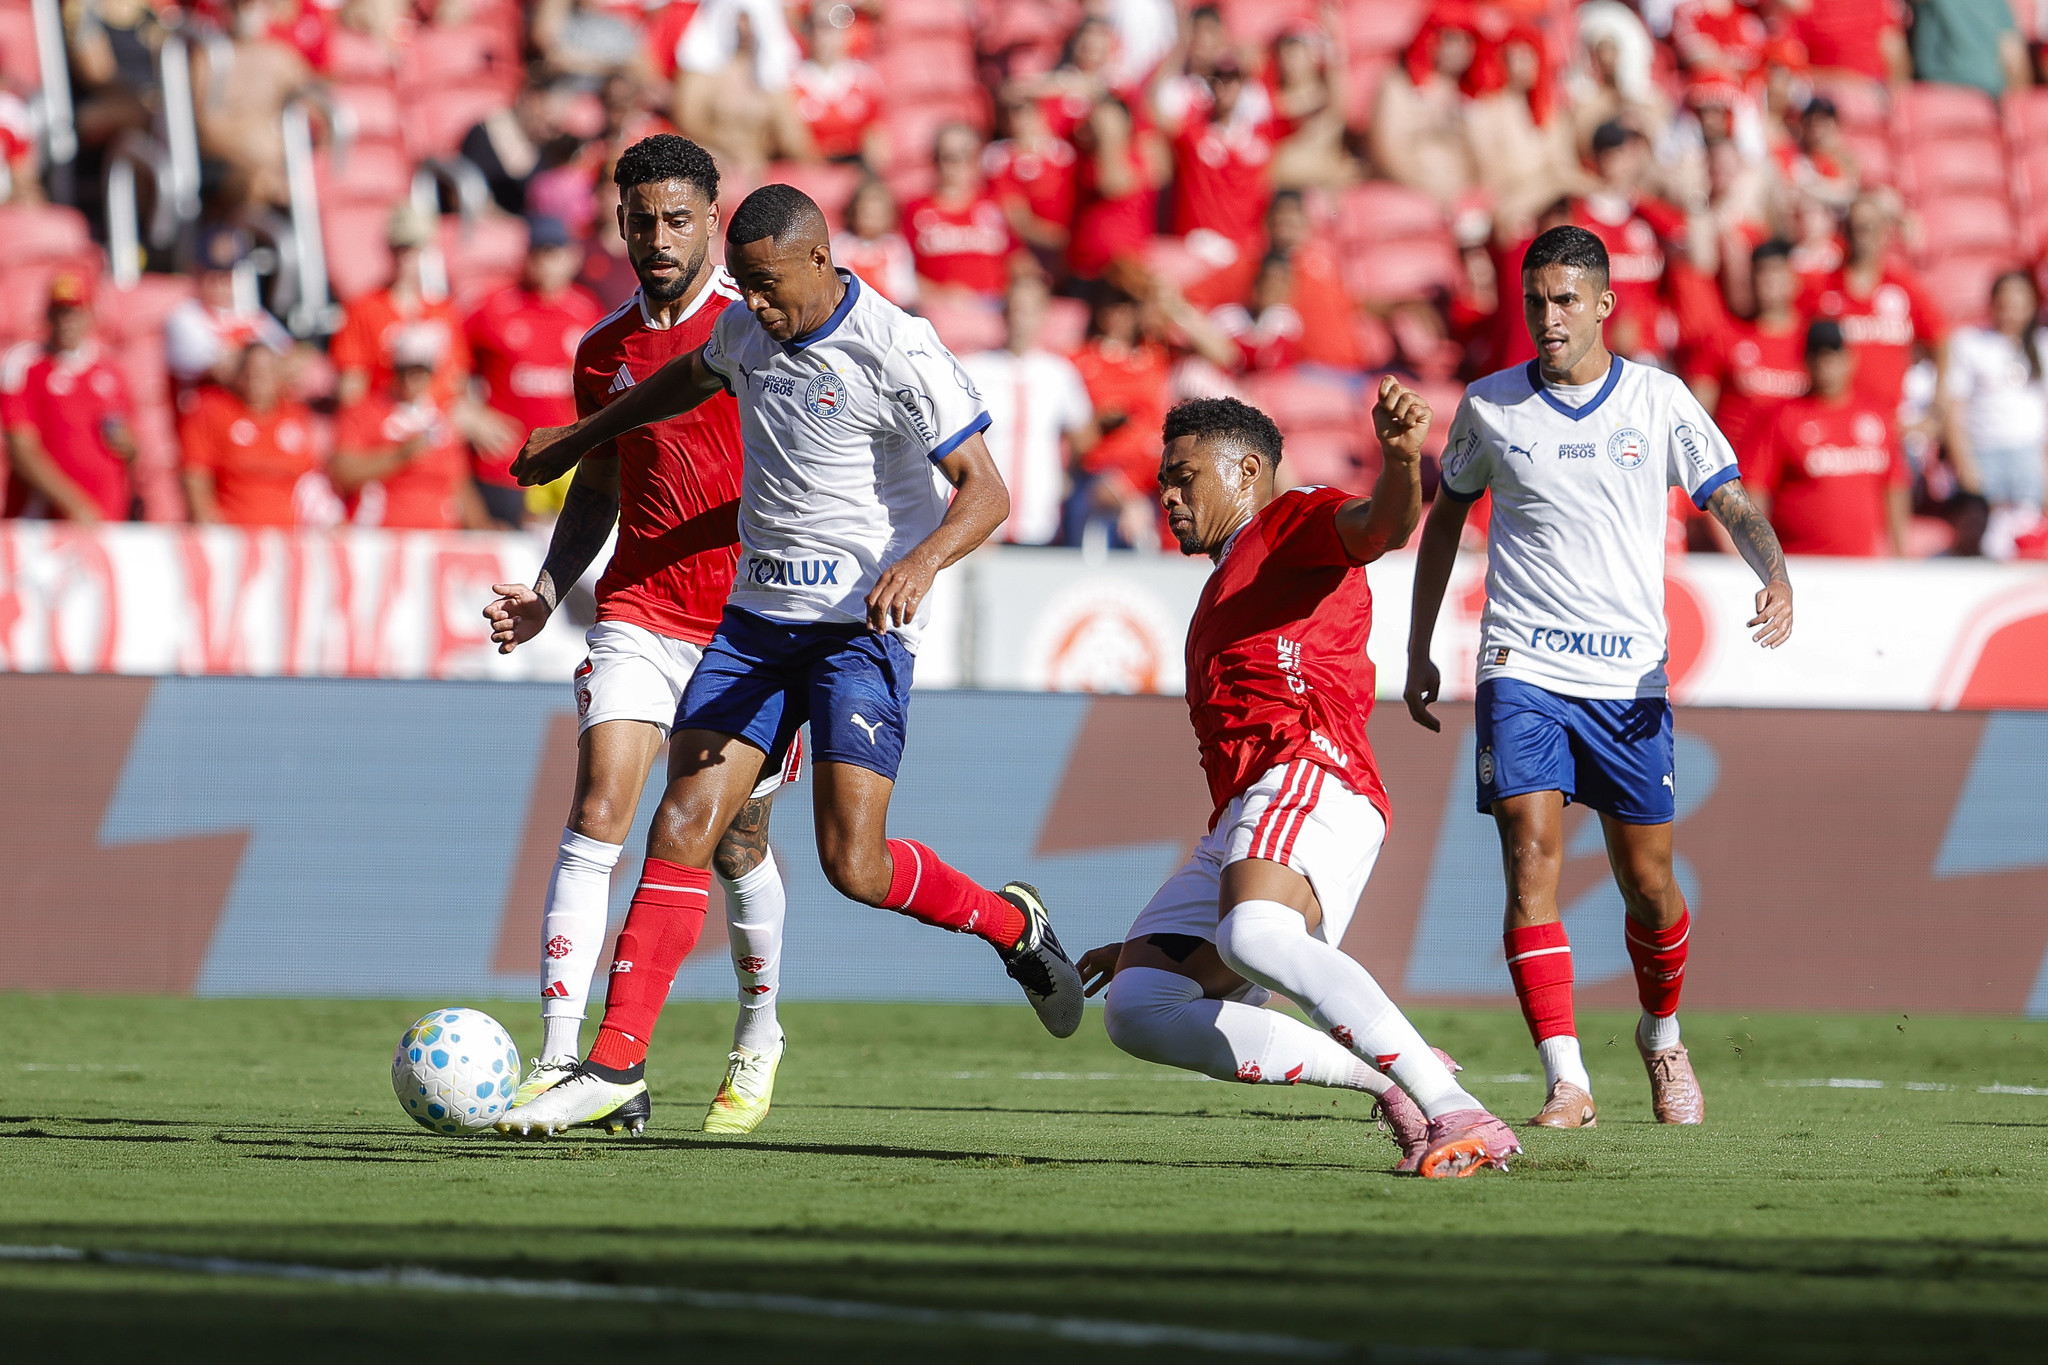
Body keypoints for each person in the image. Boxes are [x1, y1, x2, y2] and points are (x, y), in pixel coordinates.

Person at [495, 182, 1085, 1136]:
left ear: (820, 259)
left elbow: (986, 492)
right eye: (747, 290)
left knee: (853, 861)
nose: (755, 308)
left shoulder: (899, 349)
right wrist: (584, 436)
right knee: (683, 820)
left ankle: (1012, 926)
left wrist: (921, 563)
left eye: (769, 288)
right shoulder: (744, 332)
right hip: (755, 626)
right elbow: (689, 376)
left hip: (858, 629)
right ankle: (611, 1064)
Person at [1074, 392, 1524, 1179]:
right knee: (1140, 1007)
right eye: (1163, 481)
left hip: (1311, 771)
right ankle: (1395, 1080)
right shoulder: (1226, 578)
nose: (1167, 497)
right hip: (1247, 809)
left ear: (1247, 470)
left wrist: (1396, 458)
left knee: (1254, 936)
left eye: (1182, 478)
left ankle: (1460, 1113)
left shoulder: (1290, 521)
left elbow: (1382, 525)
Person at [1405, 225, 1795, 1129]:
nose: (1549, 317)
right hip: (1521, 664)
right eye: (1537, 300)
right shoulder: (1489, 407)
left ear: (1605, 304)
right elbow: (1446, 523)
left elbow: (1730, 499)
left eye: (1567, 300)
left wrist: (1773, 574)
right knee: (1529, 855)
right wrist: (1423, 644)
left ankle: (1661, 1036)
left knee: (1647, 882)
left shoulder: (1658, 403)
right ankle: (1567, 1080)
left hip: (1628, 681)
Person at [482, 136, 799, 1137]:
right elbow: (604, 489)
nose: (657, 238)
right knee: (600, 805)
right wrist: (543, 589)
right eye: (639, 219)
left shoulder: (760, 333)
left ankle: (757, 1035)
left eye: (677, 219)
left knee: (736, 836)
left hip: (748, 627)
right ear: (616, 223)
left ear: (712, 221)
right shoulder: (602, 351)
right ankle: (560, 1059)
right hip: (641, 610)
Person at [464, 215, 604, 528]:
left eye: (553, 251)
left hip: (563, 471)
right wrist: (465, 412)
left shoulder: (587, 313)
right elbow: (448, 362)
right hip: (503, 465)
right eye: (538, 251)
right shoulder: (494, 308)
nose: (545, 260)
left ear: (572, 257)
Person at [1752, 319, 1910, 556]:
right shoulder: (1784, 418)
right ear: (1806, 361)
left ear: (1850, 358)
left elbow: (1894, 486)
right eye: (1819, 356)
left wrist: (1901, 554)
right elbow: (1756, 490)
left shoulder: (1875, 415)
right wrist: (1762, 556)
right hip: (1800, 563)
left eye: (1834, 355)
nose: (1827, 364)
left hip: (1862, 567)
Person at [962, 275, 1098, 545]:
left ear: (1043, 315)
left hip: (1040, 519)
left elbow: (1084, 435)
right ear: (1003, 313)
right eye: (1014, 308)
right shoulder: (972, 368)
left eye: (1029, 310)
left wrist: (1066, 475)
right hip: (982, 523)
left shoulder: (1059, 373)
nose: (1021, 319)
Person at [0, 273, 136, 522]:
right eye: (60, 313)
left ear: (89, 316)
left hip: (104, 518)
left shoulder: (110, 371)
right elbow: (21, 450)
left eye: (74, 313)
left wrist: (129, 445)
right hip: (44, 523)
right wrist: (73, 504)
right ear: (48, 316)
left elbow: (131, 446)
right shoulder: (25, 365)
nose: (67, 322)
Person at [330, 327, 492, 530]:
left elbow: (459, 484)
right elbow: (342, 473)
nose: (411, 380)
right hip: (379, 536)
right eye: (404, 371)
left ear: (431, 373)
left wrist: (483, 528)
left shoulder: (444, 417)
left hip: (436, 538)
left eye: (419, 372)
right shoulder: (364, 412)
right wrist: (399, 455)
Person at [1802, 193, 1948, 416]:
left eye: (1867, 228)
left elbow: (1940, 338)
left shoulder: (1904, 287)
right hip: (1832, 420)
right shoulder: (1821, 287)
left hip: (1891, 423)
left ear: (1884, 234)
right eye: (1853, 228)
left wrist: (1937, 400)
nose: (1860, 237)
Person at [1944, 270, 2048, 555]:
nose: (2012, 311)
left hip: (2028, 457)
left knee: (2028, 536)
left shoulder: (2041, 346)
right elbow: (1954, 409)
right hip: (1984, 454)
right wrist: (1965, 464)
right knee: (1988, 541)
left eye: (2019, 303)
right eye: (2005, 303)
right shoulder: (1970, 343)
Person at [1684, 239, 1810, 474]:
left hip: (1791, 483)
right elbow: (1695, 422)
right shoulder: (1723, 338)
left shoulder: (1811, 344)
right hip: (1735, 479)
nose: (1768, 281)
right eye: (1762, 273)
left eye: (1777, 272)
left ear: (1795, 279)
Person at [180, 341, 327, 526]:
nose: (256, 379)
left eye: (265, 372)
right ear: (239, 374)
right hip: (233, 535)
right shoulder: (212, 411)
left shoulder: (296, 416)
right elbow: (196, 472)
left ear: (278, 377)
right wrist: (207, 523)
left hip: (287, 537)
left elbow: (309, 481)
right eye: (251, 371)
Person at [164, 223, 294, 411]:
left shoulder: (250, 312)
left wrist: (258, 365)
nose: (221, 281)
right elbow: (221, 369)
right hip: (209, 418)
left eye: (228, 273)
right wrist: (265, 366)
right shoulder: (183, 316)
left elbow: (295, 358)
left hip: (253, 418)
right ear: (197, 272)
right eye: (213, 273)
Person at [901, 123, 1022, 304]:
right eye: (950, 157)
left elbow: (1018, 261)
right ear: (935, 160)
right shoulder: (915, 210)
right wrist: (941, 295)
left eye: (966, 156)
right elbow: (899, 270)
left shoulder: (995, 205)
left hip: (997, 306)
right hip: (939, 309)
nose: (959, 165)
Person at [831, 177, 917, 308]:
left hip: (890, 308)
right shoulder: (841, 245)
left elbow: (903, 289)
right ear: (853, 212)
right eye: (866, 212)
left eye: (878, 214)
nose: (871, 220)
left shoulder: (895, 246)